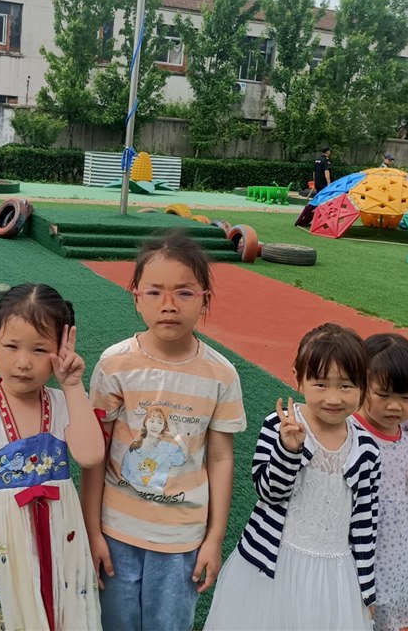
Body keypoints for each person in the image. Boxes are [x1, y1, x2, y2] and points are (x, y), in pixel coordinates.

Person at [83, 232, 247, 631]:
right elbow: (96, 452)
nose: (169, 305)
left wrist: (214, 538)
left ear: (205, 299)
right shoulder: (115, 364)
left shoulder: (221, 374)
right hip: (116, 532)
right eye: (154, 292)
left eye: (184, 293)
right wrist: (91, 532)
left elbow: (221, 458)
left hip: (182, 542)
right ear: (136, 297)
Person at [0, 283, 105, 631]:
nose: (23, 363)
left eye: (40, 349)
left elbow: (90, 456)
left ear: (61, 349)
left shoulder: (65, 404)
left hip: (59, 549)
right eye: (11, 346)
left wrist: (73, 385)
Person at [204, 323, 380, 631]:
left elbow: (366, 523)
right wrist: (289, 450)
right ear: (298, 378)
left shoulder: (366, 448)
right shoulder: (280, 425)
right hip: (271, 565)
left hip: (334, 575)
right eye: (320, 384)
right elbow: (269, 491)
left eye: (346, 386)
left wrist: (366, 588)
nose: (333, 398)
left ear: (363, 385)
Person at [354, 333, 408, 631]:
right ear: (361, 384)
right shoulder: (349, 429)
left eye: (407, 398)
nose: (395, 406)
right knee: (357, 608)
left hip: (400, 542)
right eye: (383, 395)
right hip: (361, 537)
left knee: (389, 613)